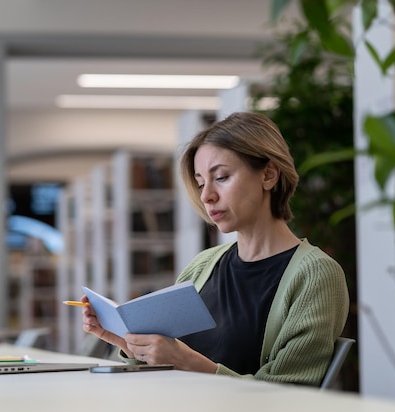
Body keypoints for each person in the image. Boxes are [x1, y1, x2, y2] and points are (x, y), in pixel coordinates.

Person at [81, 111, 349, 386]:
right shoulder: (202, 266)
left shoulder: (316, 275)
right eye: (200, 183)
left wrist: (190, 363)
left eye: (220, 177)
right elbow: (164, 366)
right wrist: (129, 345)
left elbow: (288, 394)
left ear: (268, 175)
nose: (206, 196)